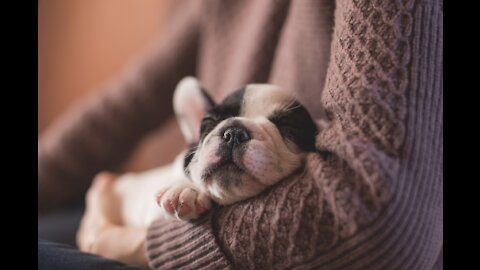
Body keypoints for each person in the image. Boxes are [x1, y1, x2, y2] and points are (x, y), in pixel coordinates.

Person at [38, 1, 443, 269]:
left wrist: (120, 241)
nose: (232, 135)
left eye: (283, 128)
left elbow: (377, 219)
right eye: (218, 125)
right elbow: (118, 108)